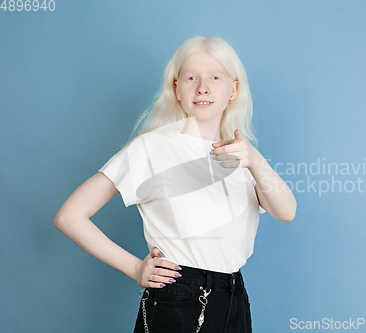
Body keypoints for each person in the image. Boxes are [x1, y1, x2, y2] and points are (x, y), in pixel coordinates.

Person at [54, 35, 296, 333]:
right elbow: (69, 216)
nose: (203, 87)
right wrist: (134, 268)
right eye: (191, 77)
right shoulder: (152, 147)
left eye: (215, 77)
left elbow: (287, 212)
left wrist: (256, 160)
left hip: (234, 296)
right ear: (176, 89)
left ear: (233, 88)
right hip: (178, 296)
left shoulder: (242, 154)